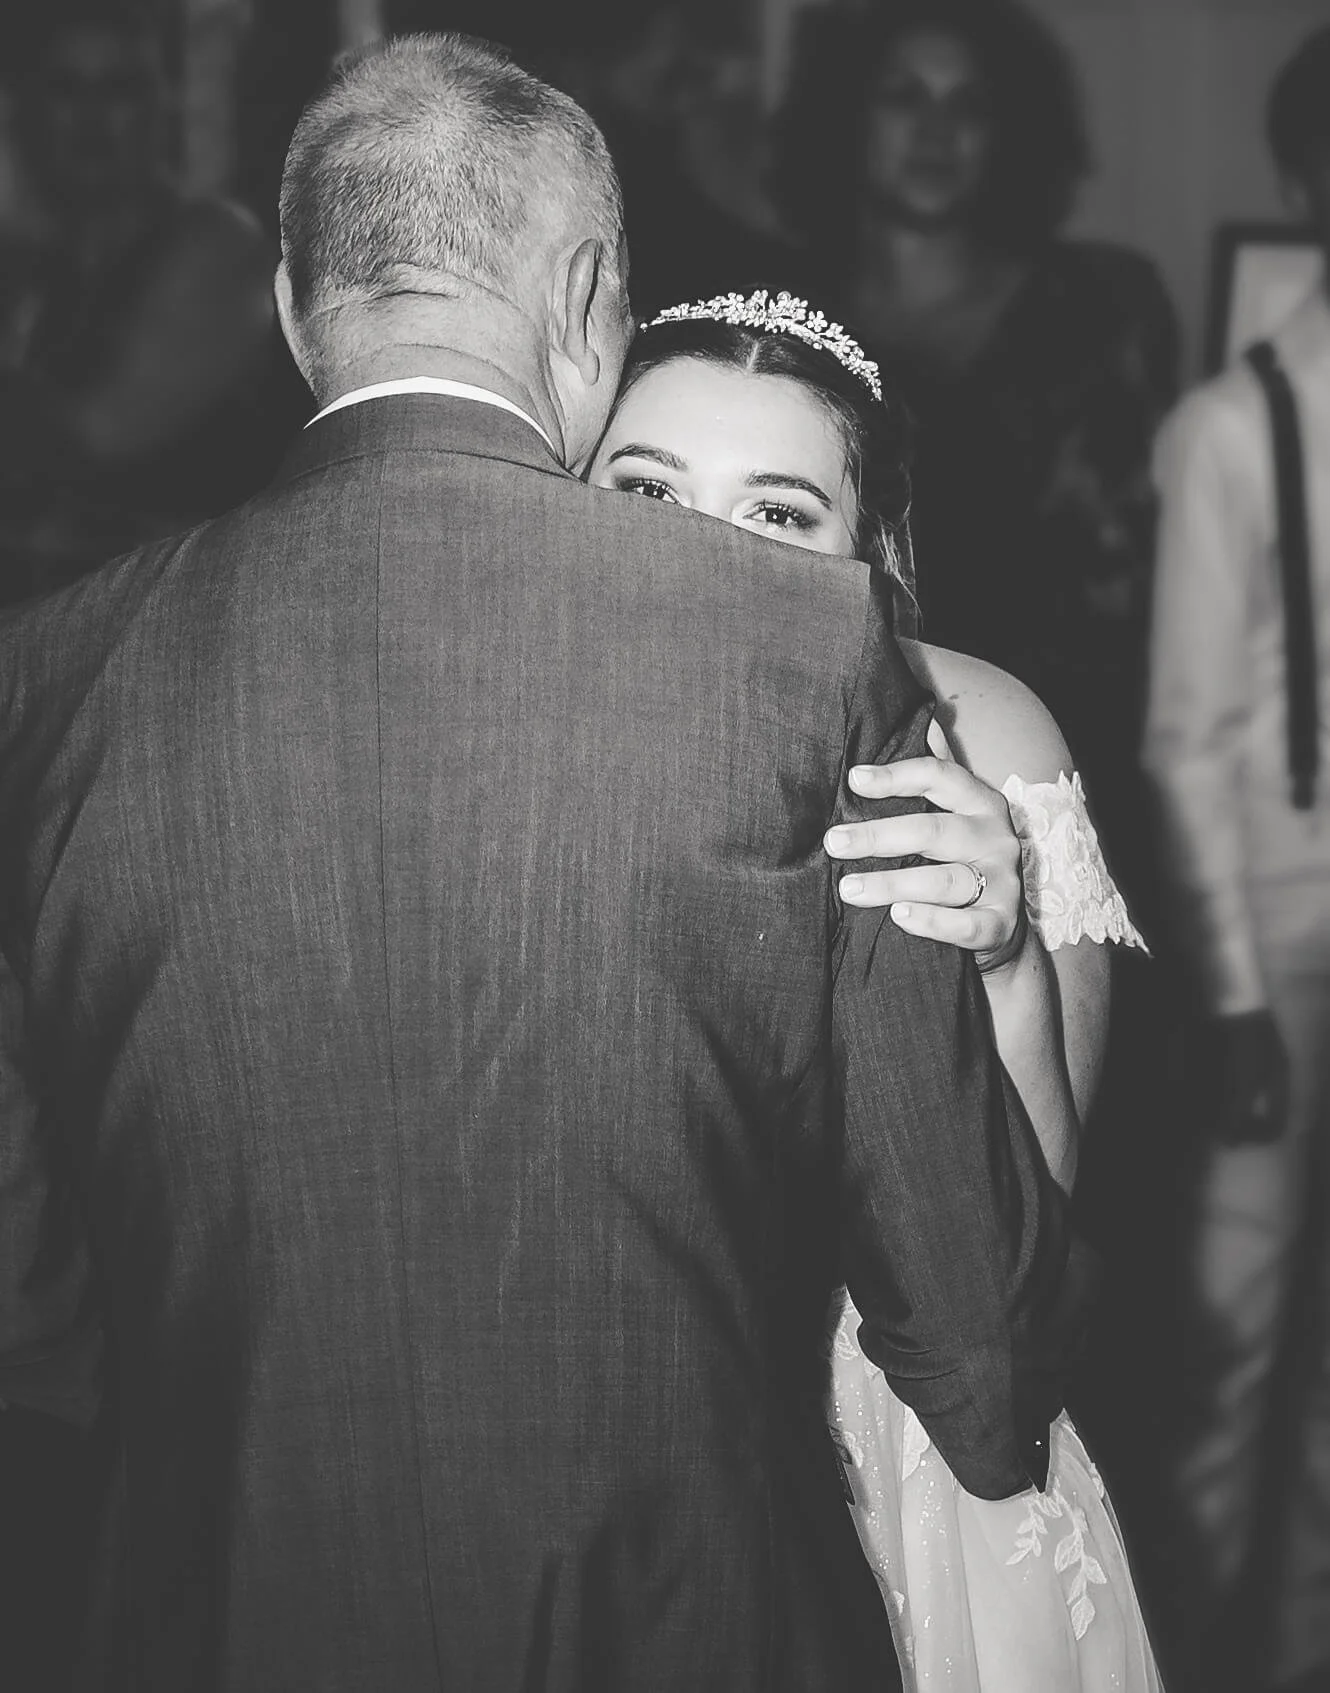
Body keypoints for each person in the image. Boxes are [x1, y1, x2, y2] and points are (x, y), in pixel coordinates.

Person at [0, 34, 1088, 1690]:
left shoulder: (45, 676)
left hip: (206, 1608)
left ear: (297, 307)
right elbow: (987, 1370)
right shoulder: (799, 664)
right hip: (677, 1617)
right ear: (590, 300)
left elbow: (36, 1292)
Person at [588, 288, 1159, 1691]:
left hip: (891, 1420)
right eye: (647, 487)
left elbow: (1047, 1233)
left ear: (866, 554)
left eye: (776, 512)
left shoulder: (972, 729)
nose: (704, 552)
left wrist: (1002, 955)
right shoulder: (516, 711)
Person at [771, 0, 1177, 909]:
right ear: (846, 117)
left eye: (970, 104)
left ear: (1015, 131)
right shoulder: (786, 324)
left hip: (1055, 762)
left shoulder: (1097, 309)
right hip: (843, 761)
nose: (936, 130)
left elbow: (1126, 595)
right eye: (903, 97)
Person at [1142, 26, 1330, 1693]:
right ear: (1304, 179)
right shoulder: (1232, 424)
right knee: (1231, 1332)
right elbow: (1186, 734)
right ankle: (1191, 1656)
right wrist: (1235, 993)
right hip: (1274, 934)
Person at [0, 2, 300, 605]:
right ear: (30, 108)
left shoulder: (217, 247)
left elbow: (97, 438)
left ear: (163, 104)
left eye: (121, 89)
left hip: (181, 642)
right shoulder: (43, 276)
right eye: (68, 89)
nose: (94, 117)